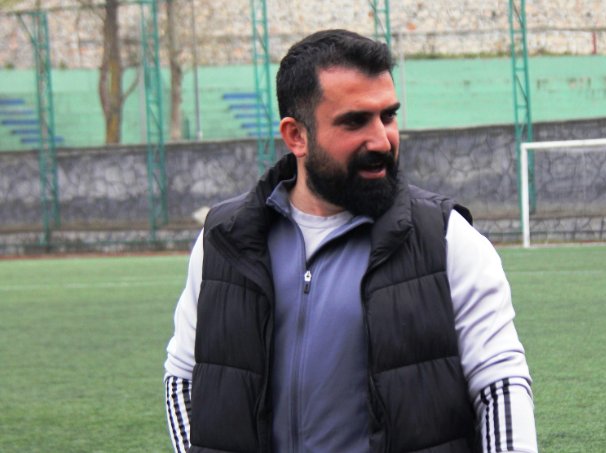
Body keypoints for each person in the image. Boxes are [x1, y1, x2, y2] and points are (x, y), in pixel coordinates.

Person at [163, 29, 536, 453]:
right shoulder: (225, 240)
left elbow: (500, 385)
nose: (381, 140)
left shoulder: (447, 238)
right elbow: (182, 378)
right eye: (355, 121)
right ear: (296, 136)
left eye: (387, 116)